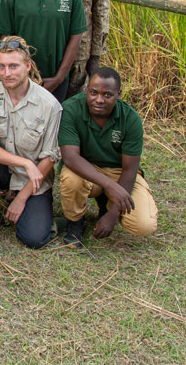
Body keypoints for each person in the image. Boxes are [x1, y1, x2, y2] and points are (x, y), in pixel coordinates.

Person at [0, 37, 62, 248]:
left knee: (34, 238)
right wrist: (24, 162)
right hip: (3, 169)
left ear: (28, 66)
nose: (7, 73)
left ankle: (26, 203)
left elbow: (49, 158)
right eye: (1, 66)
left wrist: (22, 197)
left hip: (33, 179)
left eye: (13, 66)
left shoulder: (49, 105)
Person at [59, 67, 158, 247]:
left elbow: (130, 169)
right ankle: (74, 222)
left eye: (107, 95)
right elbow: (70, 158)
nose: (99, 100)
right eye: (94, 92)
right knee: (71, 179)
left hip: (119, 172)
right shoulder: (71, 109)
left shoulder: (131, 119)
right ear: (87, 89)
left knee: (144, 225)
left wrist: (112, 215)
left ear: (118, 94)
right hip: (85, 168)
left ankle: (106, 205)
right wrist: (110, 185)